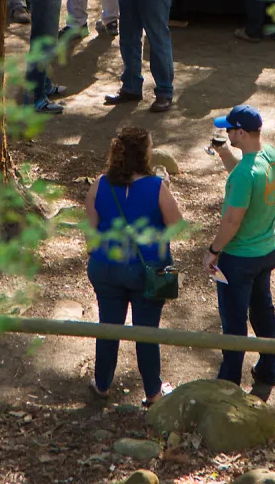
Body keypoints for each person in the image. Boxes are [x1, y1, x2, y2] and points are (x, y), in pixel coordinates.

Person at [84, 126, 184, 406]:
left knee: (108, 326)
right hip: (149, 271)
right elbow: (177, 227)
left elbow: (91, 232)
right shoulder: (157, 187)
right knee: (147, 331)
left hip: (106, 267)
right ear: (144, 154)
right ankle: (153, 391)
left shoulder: (99, 183)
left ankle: (102, 383)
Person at [202, 105, 275, 402]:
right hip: (267, 250)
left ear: (242, 133)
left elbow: (232, 220)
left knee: (234, 320)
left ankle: (229, 380)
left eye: (230, 130)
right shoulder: (270, 156)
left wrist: (213, 250)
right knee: (263, 311)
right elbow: (248, 175)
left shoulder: (244, 175)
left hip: (239, 260)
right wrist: (224, 153)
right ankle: (269, 369)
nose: (226, 133)